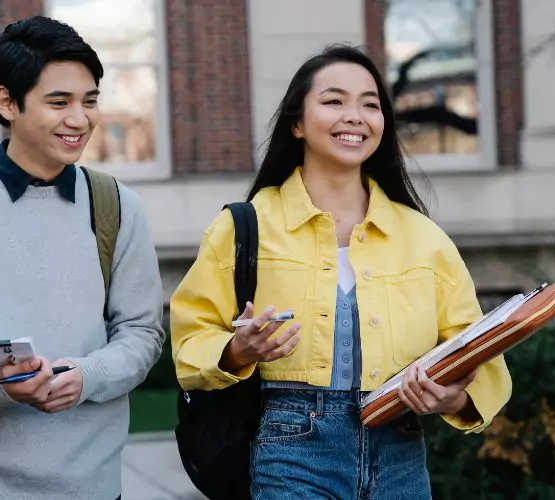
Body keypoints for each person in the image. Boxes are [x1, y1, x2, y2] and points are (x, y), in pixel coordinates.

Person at [169, 44, 512, 499]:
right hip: (291, 452)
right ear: (297, 123)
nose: (355, 116)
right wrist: (237, 350)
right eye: (334, 101)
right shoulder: (244, 227)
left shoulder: (423, 237)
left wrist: (454, 398)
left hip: (401, 452)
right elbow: (190, 342)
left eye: (370, 105)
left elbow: (480, 351)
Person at [0, 16, 164, 500]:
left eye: (89, 101)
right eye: (59, 102)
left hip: (94, 486)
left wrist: (87, 377)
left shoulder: (119, 206)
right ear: (6, 102)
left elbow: (143, 334)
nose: (79, 119)